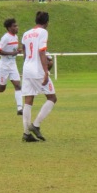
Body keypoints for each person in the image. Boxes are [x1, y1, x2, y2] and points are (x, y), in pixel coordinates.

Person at [20, 11, 56, 142]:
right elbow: (42, 51)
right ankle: (35, 125)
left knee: (28, 100)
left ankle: (26, 133)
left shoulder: (26, 33)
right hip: (37, 69)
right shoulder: (43, 32)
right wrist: (46, 71)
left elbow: (24, 53)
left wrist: (26, 67)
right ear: (46, 22)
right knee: (52, 97)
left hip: (27, 68)